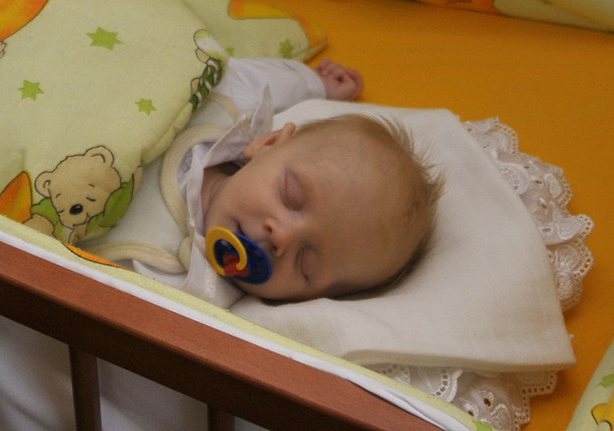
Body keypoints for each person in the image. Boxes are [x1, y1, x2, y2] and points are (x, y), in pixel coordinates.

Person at [89, 55, 442, 307]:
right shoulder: (231, 112)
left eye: (306, 264)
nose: (281, 237)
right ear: (268, 143)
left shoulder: (192, 292)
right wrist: (315, 84)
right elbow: (247, 77)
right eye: (291, 196)